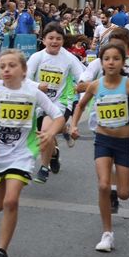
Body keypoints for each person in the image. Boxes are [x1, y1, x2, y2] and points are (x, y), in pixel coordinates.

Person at [0, 49, 64, 257]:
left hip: (21, 153)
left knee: (10, 201)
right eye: (2, 66)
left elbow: (58, 115)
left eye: (12, 65)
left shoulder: (32, 91)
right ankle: (2, 239)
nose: (6, 70)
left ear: (24, 70)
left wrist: (50, 134)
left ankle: (1, 252)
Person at [69, 40, 129, 252]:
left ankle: (116, 185)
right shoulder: (95, 85)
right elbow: (80, 106)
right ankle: (107, 233)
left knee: (124, 193)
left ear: (123, 63)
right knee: (103, 185)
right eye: (106, 59)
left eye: (116, 59)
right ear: (101, 62)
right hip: (103, 140)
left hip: (123, 141)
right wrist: (72, 125)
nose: (111, 62)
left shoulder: (128, 84)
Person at [23, 23, 83, 182]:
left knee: (45, 132)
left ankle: (44, 168)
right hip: (40, 103)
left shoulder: (69, 58)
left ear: (63, 40)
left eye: (58, 38)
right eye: (50, 38)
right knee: (48, 134)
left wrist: (82, 86)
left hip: (61, 101)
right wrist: (37, 86)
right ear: (43, 40)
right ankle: (55, 152)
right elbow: (26, 79)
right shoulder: (37, 57)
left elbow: (83, 76)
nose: (54, 41)